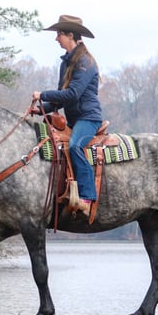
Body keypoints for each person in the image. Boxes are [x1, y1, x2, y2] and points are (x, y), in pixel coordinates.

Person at [32, 14, 103, 216]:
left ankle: (87, 196)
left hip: (88, 118)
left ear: (70, 35)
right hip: (74, 119)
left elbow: (72, 95)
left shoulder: (85, 62)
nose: (56, 39)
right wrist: (41, 109)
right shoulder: (66, 63)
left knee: (75, 146)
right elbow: (60, 99)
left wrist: (42, 94)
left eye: (59, 35)